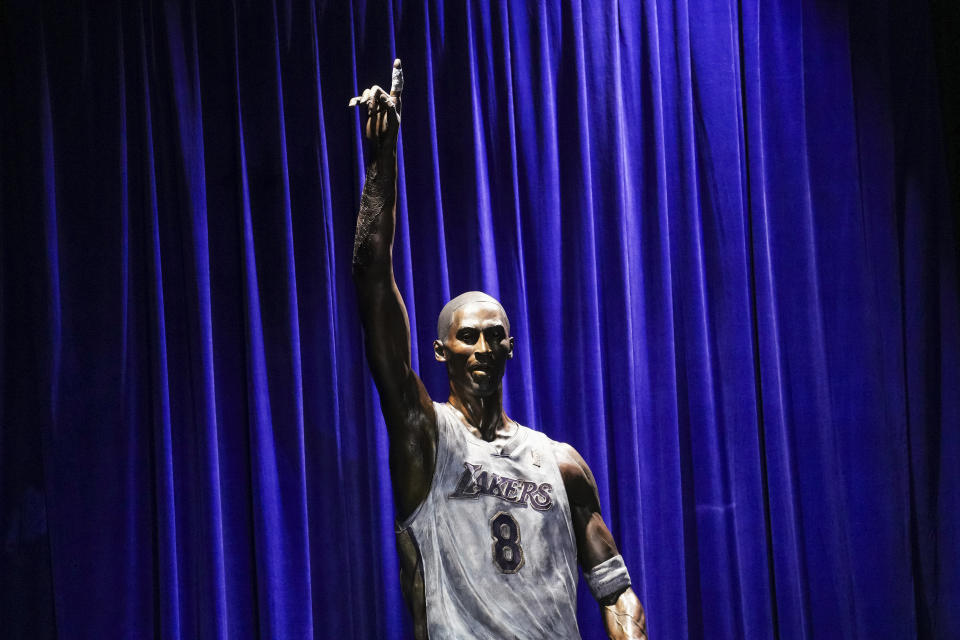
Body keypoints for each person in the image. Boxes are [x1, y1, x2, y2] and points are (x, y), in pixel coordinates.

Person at [349, 59, 648, 640]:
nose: (481, 347)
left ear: (510, 348)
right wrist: (381, 167)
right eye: (467, 336)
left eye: (493, 336)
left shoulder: (560, 464)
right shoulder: (425, 437)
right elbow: (371, 282)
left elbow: (617, 590)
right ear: (442, 352)